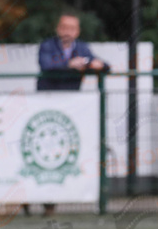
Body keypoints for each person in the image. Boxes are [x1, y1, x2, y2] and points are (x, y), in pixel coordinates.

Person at [33, 11, 109, 216]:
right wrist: (69, 65)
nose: (67, 32)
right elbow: (46, 65)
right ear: (58, 29)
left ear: (77, 31)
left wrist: (98, 65)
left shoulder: (82, 48)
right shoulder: (47, 46)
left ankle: (64, 198)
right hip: (46, 106)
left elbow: (105, 66)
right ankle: (41, 201)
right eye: (64, 27)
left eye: (72, 28)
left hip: (71, 108)